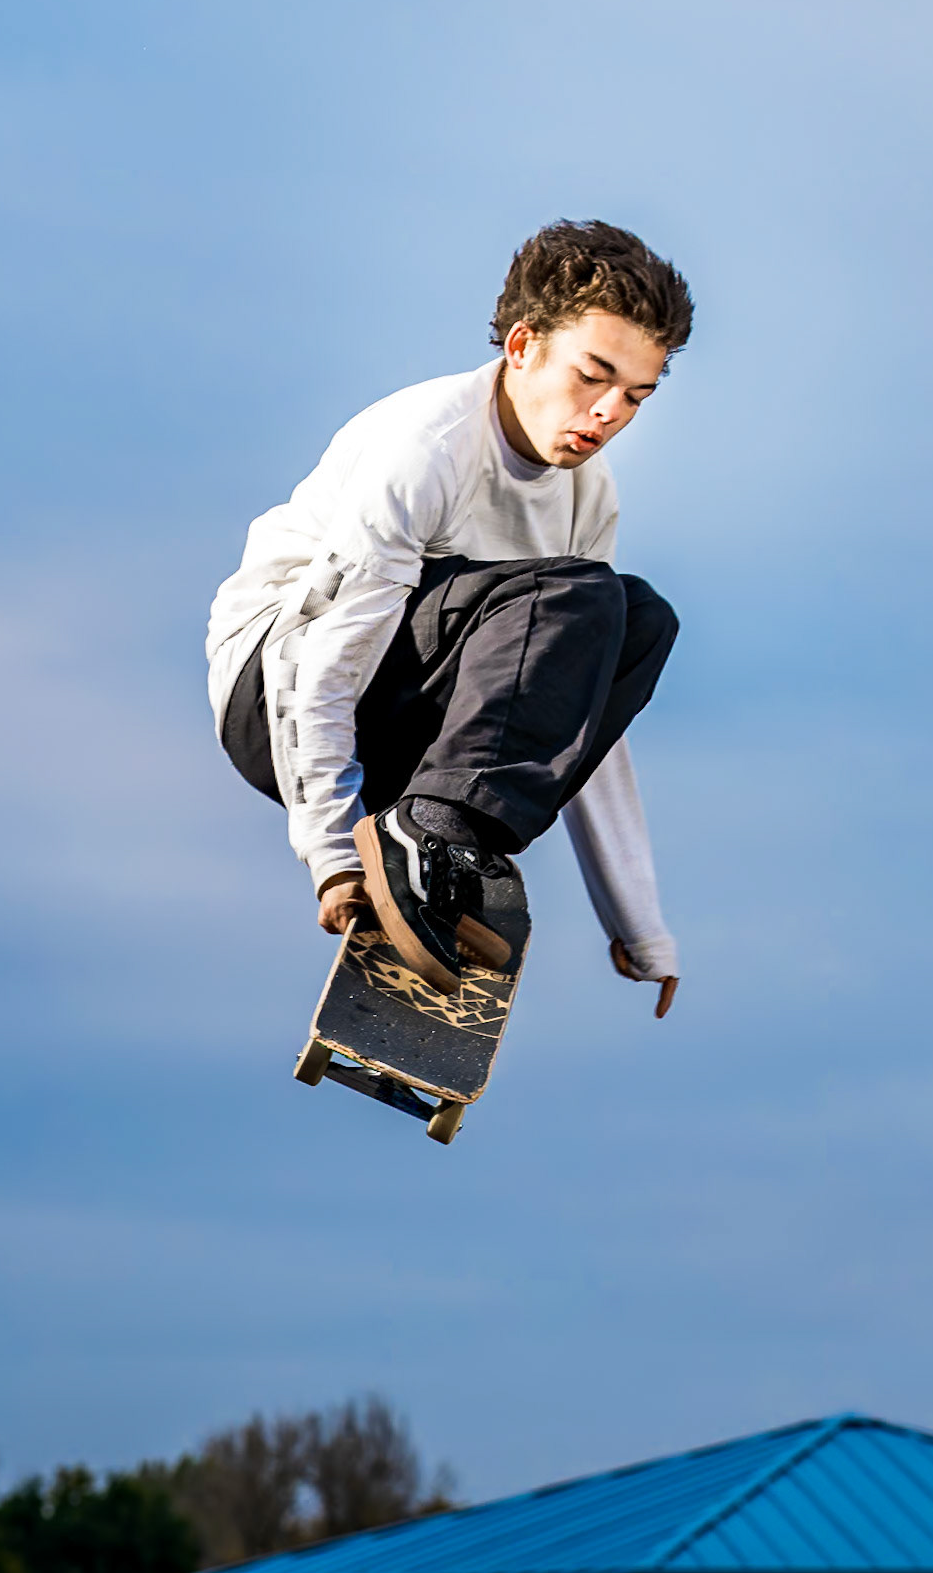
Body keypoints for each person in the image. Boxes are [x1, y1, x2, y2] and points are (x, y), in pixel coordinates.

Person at [207, 219, 689, 1015]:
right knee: (574, 596)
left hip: (404, 731)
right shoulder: (426, 447)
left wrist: (638, 921)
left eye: (635, 397)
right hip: (276, 697)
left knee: (638, 620)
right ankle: (428, 835)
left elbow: (569, 708)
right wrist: (332, 851)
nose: (607, 413)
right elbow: (324, 652)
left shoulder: (586, 496)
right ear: (523, 346)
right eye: (591, 377)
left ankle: (448, 843)